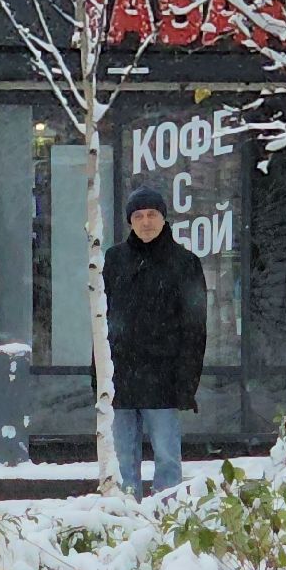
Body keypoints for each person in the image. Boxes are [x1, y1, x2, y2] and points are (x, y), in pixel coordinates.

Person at [103, 186, 208, 500]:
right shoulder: (114, 259)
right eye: (138, 216)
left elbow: (194, 327)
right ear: (130, 221)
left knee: (166, 457)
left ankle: (168, 519)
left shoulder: (184, 263)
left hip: (164, 375)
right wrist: (101, 373)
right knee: (122, 460)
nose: (145, 221)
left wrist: (187, 379)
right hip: (120, 373)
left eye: (152, 214)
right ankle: (126, 517)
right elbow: (102, 318)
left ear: (164, 218)